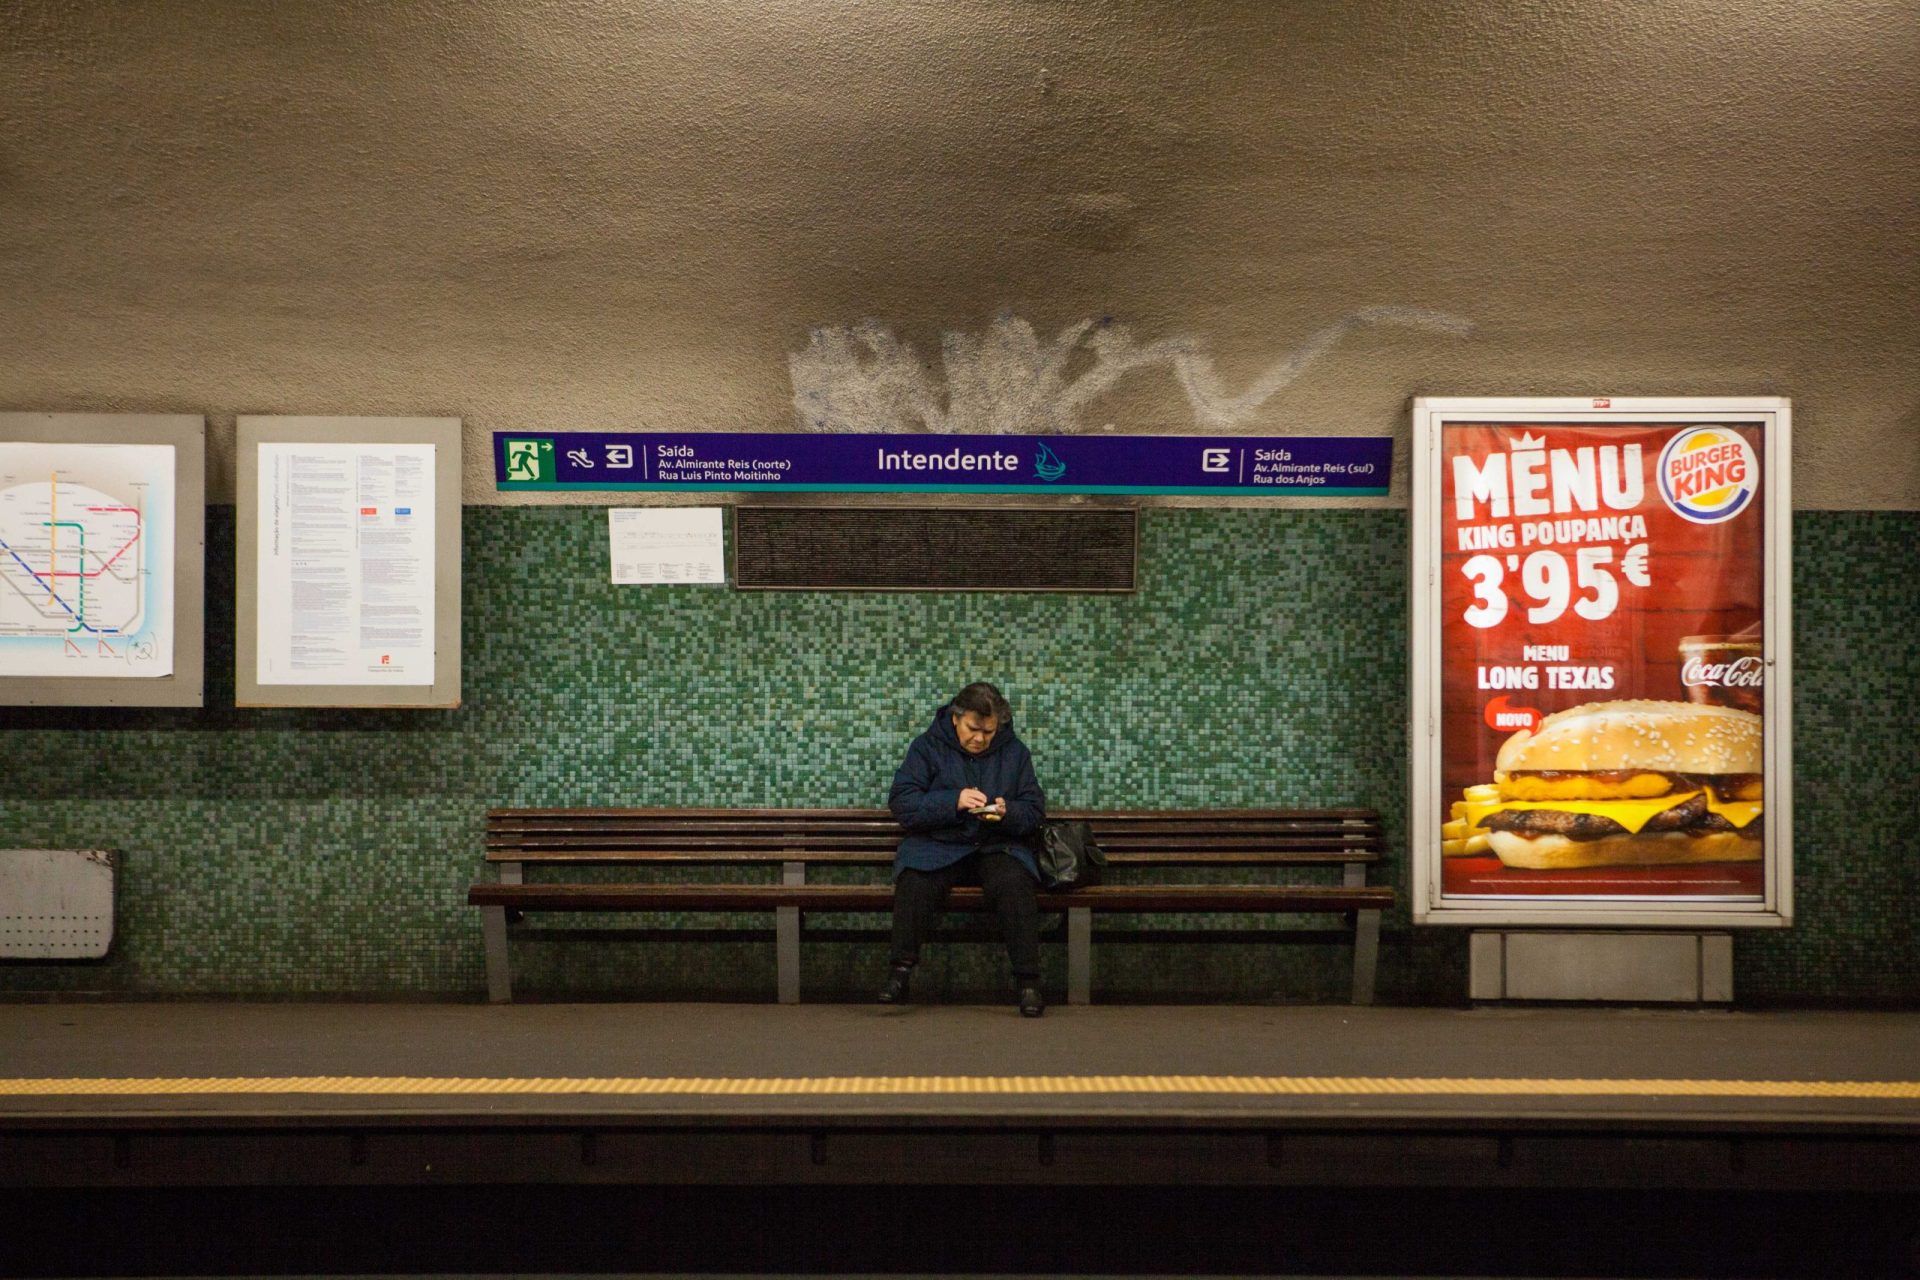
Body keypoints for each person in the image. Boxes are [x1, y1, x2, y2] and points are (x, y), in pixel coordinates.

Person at [881, 681, 1048, 1016]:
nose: (980, 739)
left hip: (995, 846)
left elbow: (1033, 809)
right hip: (939, 846)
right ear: (956, 718)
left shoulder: (1014, 752)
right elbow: (902, 802)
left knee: (1015, 885)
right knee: (916, 882)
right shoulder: (927, 748)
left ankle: (1028, 983)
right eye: (974, 729)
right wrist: (952, 800)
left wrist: (1007, 811)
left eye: (988, 732)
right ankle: (899, 973)